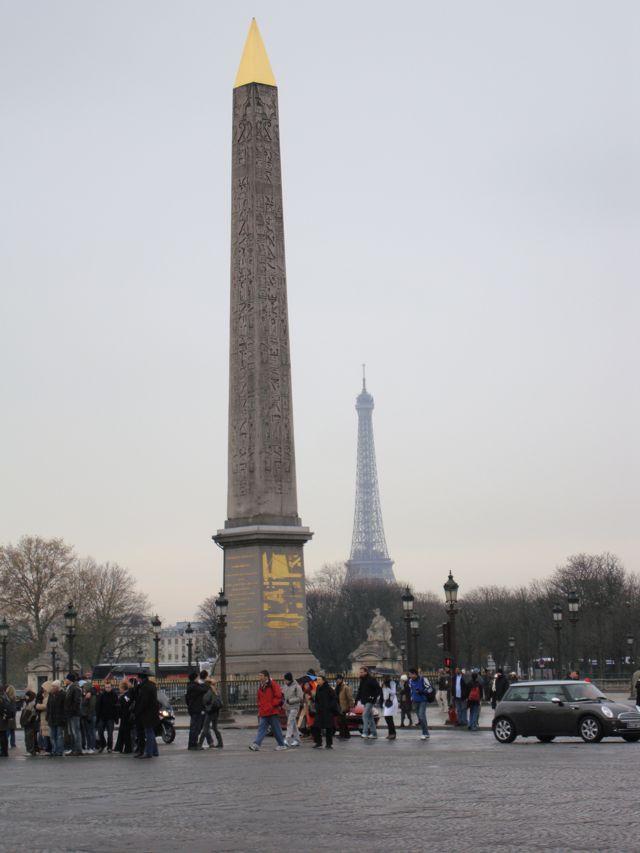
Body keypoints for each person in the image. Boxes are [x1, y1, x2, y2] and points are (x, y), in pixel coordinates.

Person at [248, 670, 287, 751]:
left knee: (276, 729)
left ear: (266, 676)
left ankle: (281, 744)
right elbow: (259, 698)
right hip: (265, 711)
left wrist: (272, 705)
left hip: (272, 711)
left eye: (261, 675)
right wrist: (261, 707)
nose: (259, 677)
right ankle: (256, 744)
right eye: (259, 675)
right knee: (262, 728)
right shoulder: (262, 685)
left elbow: (278, 695)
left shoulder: (272, 684)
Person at [311, 673, 339, 749]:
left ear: (323, 680)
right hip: (319, 711)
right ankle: (318, 742)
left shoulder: (329, 688)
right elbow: (316, 699)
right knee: (316, 727)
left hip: (327, 712)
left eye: (319, 679)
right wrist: (316, 705)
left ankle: (329, 744)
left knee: (329, 728)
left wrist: (329, 707)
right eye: (317, 679)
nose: (317, 681)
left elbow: (334, 699)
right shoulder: (317, 688)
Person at [134, 671, 159, 758]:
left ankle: (148, 752)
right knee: (150, 731)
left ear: (140, 678)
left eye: (138, 678)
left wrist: (138, 711)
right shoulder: (152, 685)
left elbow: (144, 701)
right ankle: (155, 751)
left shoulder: (145, 687)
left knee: (149, 732)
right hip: (152, 712)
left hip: (147, 713)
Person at [355, 666, 382, 740]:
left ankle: (365, 732)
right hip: (364, 701)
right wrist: (356, 700)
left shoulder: (371, 679)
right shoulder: (362, 680)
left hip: (370, 701)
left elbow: (378, 689)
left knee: (364, 715)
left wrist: (373, 697)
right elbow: (360, 691)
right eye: (360, 672)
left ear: (366, 672)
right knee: (370, 718)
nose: (360, 673)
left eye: (362, 672)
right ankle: (374, 733)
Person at [198, 677, 223, 749]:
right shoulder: (216, 690)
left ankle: (200, 744)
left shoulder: (209, 691)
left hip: (210, 711)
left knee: (205, 728)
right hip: (216, 711)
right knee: (215, 728)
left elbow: (205, 700)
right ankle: (220, 742)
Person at [186, 671, 208, 750]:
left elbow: (187, 699)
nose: (199, 679)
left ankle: (192, 744)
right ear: (195, 678)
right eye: (198, 677)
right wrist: (205, 682)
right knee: (195, 727)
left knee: (196, 727)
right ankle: (193, 745)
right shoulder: (194, 686)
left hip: (194, 709)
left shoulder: (192, 686)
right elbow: (205, 689)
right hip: (197, 710)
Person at [408, 668, 432, 741]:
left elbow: (430, 688)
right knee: (421, 718)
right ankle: (426, 733)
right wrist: (411, 697)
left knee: (421, 716)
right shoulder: (410, 681)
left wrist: (422, 691)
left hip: (422, 700)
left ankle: (424, 733)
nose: (409, 676)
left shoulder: (423, 679)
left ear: (414, 674)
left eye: (410, 674)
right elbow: (411, 690)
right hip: (415, 701)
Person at [96, 681, 119, 753]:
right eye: (106, 687)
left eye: (109, 687)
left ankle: (109, 747)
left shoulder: (114, 695)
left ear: (111, 687)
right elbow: (98, 706)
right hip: (102, 717)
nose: (107, 688)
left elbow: (116, 708)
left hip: (111, 717)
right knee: (100, 732)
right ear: (104, 687)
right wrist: (98, 717)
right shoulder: (102, 695)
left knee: (110, 734)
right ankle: (103, 744)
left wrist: (116, 718)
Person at [64, 673, 83, 756]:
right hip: (70, 713)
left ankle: (78, 749)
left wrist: (71, 710)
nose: (65, 680)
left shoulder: (75, 688)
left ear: (69, 680)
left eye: (66, 679)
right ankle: (74, 749)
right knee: (72, 732)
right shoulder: (70, 687)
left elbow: (76, 701)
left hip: (74, 713)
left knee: (76, 732)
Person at [282, 672, 303, 747]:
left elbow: (300, 698)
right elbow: (283, 695)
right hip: (287, 707)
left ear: (289, 679)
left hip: (294, 707)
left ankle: (287, 739)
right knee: (293, 724)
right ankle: (297, 740)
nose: (284, 681)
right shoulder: (285, 686)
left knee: (290, 722)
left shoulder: (297, 686)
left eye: (285, 680)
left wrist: (290, 701)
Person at [46, 680, 66, 756]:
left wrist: (64, 718)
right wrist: (47, 716)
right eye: (52, 686)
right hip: (51, 718)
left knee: (59, 736)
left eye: (54, 686)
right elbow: (48, 706)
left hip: (59, 719)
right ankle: (54, 750)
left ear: (57, 687)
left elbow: (64, 707)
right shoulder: (51, 695)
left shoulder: (63, 694)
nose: (52, 687)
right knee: (52, 736)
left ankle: (59, 750)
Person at [114, 679, 134, 753]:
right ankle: (120, 747)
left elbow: (124, 705)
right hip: (126, 716)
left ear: (122, 688)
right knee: (123, 732)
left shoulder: (124, 697)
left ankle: (127, 748)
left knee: (125, 733)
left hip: (125, 717)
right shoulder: (127, 695)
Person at [334, 674, 354, 739]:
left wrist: (351, 706)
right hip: (338, 706)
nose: (337, 680)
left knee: (342, 721)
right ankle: (346, 734)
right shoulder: (337, 687)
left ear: (342, 679)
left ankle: (342, 734)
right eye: (337, 679)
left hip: (343, 706)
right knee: (342, 721)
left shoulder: (345, 687)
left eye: (339, 679)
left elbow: (349, 697)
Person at [36, 681, 52, 754]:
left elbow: (45, 706)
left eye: (44, 688)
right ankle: (46, 748)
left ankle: (48, 749)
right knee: (45, 734)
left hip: (46, 717)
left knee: (47, 734)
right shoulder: (44, 696)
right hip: (43, 717)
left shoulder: (48, 696)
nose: (43, 690)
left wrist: (38, 705)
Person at [20, 689, 38, 755]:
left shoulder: (32, 703)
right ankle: (28, 750)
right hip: (26, 723)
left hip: (30, 724)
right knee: (27, 737)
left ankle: (31, 750)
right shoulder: (26, 703)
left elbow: (33, 714)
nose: (25, 697)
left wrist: (28, 721)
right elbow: (23, 713)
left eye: (26, 696)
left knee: (29, 737)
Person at [80, 681, 97, 754]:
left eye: (84, 688)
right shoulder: (85, 695)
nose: (83, 689)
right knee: (87, 733)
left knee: (91, 732)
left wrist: (88, 716)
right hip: (85, 716)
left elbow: (92, 707)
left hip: (90, 716)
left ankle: (92, 747)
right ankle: (88, 747)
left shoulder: (92, 696)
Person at [0, 685, 17, 757]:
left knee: (3, 736)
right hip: (4, 719)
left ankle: (4, 751)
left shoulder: (2, 699)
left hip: (2, 719)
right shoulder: (4, 698)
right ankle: (4, 751)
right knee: (4, 736)